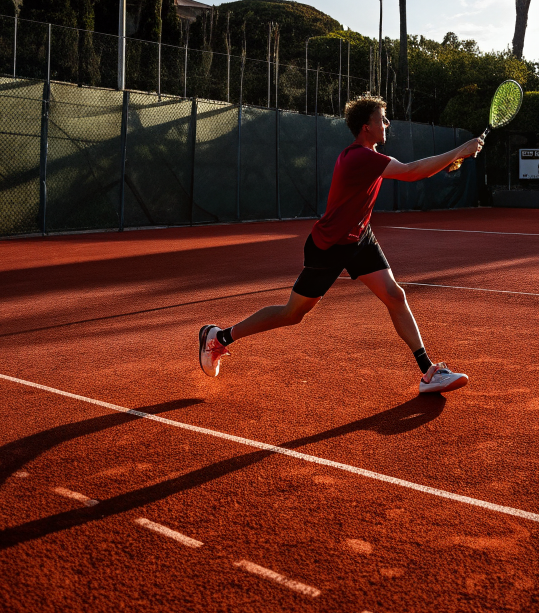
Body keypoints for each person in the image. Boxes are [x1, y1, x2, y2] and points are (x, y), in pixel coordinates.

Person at [198, 94, 483, 393]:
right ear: (366, 127)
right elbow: (412, 172)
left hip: (359, 238)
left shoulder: (371, 156)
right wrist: (460, 149)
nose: (387, 123)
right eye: (381, 119)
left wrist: (457, 156)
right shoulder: (358, 157)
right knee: (292, 313)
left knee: (394, 296)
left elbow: (414, 169)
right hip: (331, 245)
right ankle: (219, 337)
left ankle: (429, 371)